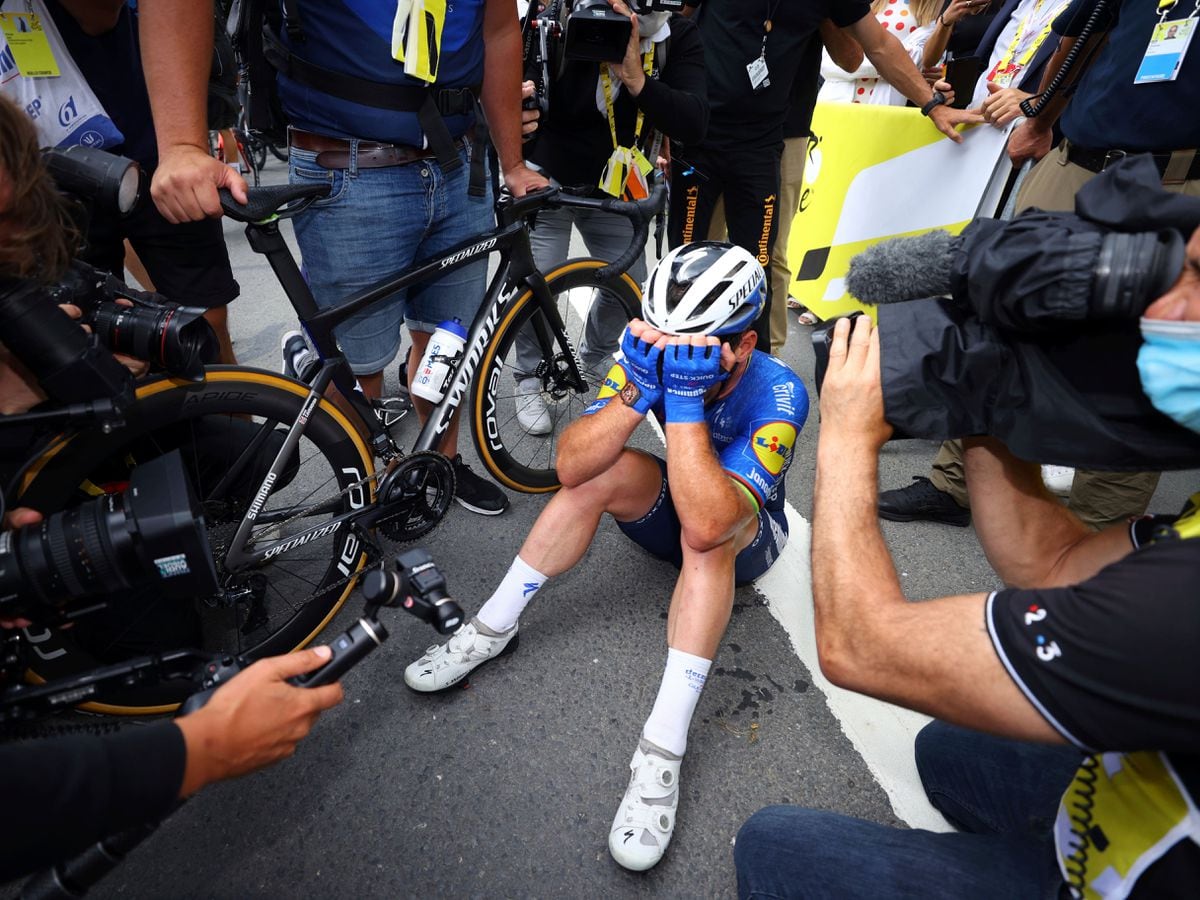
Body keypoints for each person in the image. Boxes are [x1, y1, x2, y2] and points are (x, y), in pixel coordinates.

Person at [732, 218, 1200, 896]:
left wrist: (847, 435)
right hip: (1145, 786)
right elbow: (1053, 563)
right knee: (945, 746)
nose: (1162, 308)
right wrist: (985, 397)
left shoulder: (1182, 604)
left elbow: (859, 647)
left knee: (774, 848)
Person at [0, 101, 343, 881]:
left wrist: (115, 350)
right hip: (55, 487)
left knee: (263, 457)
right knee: (161, 644)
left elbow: (138, 322)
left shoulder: (37, 246)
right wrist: (194, 753)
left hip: (96, 452)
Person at [403, 242, 809, 871]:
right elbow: (570, 465)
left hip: (739, 533)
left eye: (693, 347)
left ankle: (661, 753)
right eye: (661, 339)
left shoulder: (779, 394)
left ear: (744, 346)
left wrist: (678, 404)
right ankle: (490, 628)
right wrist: (634, 392)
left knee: (707, 544)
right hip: (677, 498)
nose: (671, 354)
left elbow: (707, 522)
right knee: (594, 475)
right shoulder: (646, 353)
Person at [879, 0, 1200, 530]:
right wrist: (1042, 114)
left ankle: (1105, 529)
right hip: (1076, 160)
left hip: (1175, 182)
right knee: (1000, 315)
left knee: (1138, 357)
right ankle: (956, 484)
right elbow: (1080, 35)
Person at [676, 0, 978, 354]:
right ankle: (681, 364)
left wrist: (931, 104)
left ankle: (760, 368)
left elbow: (872, 47)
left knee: (762, 263)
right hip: (700, 136)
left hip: (770, 140)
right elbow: (669, 27)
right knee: (689, 259)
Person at [513, 0, 708, 434]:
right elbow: (513, 86)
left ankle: (593, 357)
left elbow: (695, 122)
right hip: (546, 167)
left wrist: (636, 78)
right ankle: (528, 374)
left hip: (617, 178)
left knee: (630, 281)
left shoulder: (675, 34)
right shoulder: (561, 19)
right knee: (536, 280)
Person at [32, 0, 240, 365]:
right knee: (71, 349)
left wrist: (183, 145)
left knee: (205, 332)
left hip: (148, 132)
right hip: (37, 161)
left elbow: (99, 15)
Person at [818, 0, 942, 106]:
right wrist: (892, 65)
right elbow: (827, 64)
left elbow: (917, 59)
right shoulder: (860, 3)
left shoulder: (936, 9)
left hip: (884, 110)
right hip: (833, 104)